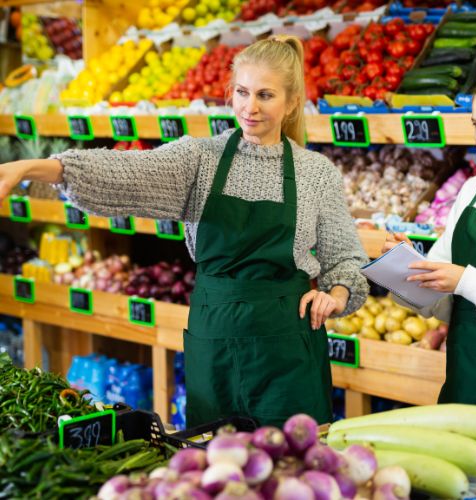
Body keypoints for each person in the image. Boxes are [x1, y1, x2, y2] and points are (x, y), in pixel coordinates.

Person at [0, 35, 369, 427]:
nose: (250, 107)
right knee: (213, 466)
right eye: (242, 92)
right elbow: (125, 173)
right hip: (215, 344)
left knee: (295, 469)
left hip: (289, 350)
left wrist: (338, 294)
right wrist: (29, 168)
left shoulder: (315, 173)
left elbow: (344, 257)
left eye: (265, 95)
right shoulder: (200, 159)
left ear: (292, 102)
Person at [382, 72, 476, 409]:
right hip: (464, 383)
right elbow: (441, 298)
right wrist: (405, 268)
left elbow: (461, 282)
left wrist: (463, 280)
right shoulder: (472, 191)